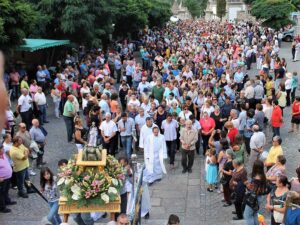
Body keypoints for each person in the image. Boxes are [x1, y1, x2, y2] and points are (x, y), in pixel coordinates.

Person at [244, 160, 270, 225]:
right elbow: (268, 189)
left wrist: (247, 185)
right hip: (259, 198)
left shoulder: (257, 178)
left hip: (254, 198)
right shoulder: (263, 176)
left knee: (247, 215)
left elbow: (252, 190)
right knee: (254, 214)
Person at [0, 143, 16, 213]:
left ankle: (7, 201)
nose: (3, 149)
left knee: (6, 190)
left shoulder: (3, 154)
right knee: (1, 193)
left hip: (8, 177)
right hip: (2, 179)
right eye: (2, 148)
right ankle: (2, 207)